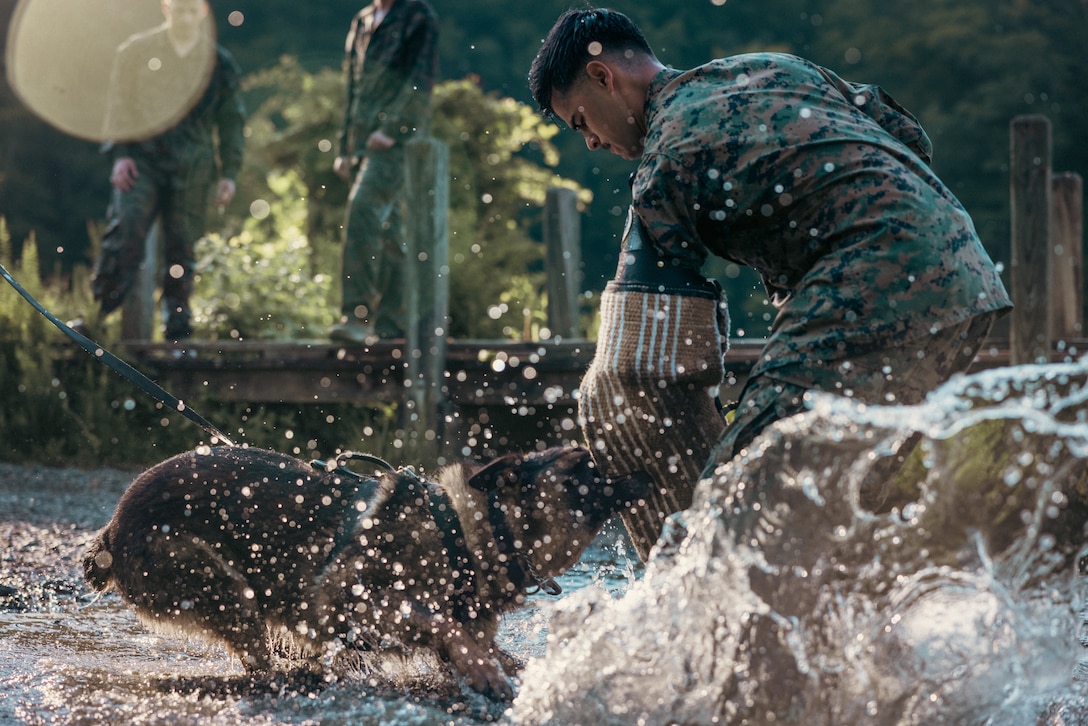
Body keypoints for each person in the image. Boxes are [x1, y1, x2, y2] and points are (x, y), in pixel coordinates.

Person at [528, 8, 1012, 560]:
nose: (589, 142)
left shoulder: (665, 164)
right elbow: (908, 136)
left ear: (602, 78)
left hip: (870, 287)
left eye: (581, 122)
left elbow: (638, 356)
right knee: (836, 500)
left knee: (736, 498)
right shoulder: (770, 67)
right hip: (967, 277)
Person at [91, 0, 245, 341]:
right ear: (167, 9)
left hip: (194, 169)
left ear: (202, 13)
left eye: (192, 11)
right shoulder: (136, 51)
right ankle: (98, 314)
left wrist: (229, 173)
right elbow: (120, 104)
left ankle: (177, 329)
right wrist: (120, 153)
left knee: (182, 248)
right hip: (142, 161)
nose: (185, 17)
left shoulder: (218, 62)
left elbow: (232, 121)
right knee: (125, 230)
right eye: (179, 10)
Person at [330, 0, 440, 344]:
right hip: (362, 140)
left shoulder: (418, 16)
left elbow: (420, 81)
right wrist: (344, 147)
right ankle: (394, 324)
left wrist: (392, 129)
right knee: (390, 231)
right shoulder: (362, 19)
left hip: (399, 140)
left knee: (363, 209)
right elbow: (353, 86)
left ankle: (356, 316)